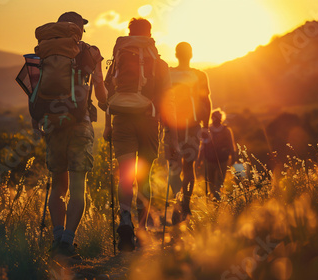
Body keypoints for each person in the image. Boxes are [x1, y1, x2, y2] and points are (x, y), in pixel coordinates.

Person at [102, 18, 179, 252]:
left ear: (129, 33)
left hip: (121, 120)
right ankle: (141, 229)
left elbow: (109, 92)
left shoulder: (118, 59)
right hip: (148, 121)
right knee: (144, 176)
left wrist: (108, 126)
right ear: (149, 34)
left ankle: (124, 219)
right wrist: (170, 133)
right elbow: (166, 100)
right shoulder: (160, 63)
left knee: (126, 174)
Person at [38, 12, 108, 261]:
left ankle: (57, 240)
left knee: (58, 187)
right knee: (78, 188)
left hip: (53, 124)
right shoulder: (90, 52)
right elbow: (99, 87)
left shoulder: (45, 52)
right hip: (80, 123)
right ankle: (67, 243)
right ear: (78, 29)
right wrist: (106, 104)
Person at [165, 42, 212, 224]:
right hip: (193, 126)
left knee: (174, 168)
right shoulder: (199, 75)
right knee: (188, 167)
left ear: (176, 54)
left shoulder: (168, 74)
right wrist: (206, 126)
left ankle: (177, 205)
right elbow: (205, 101)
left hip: (172, 128)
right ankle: (185, 203)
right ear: (191, 55)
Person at [198, 109, 237, 201]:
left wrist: (234, 157)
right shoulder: (209, 130)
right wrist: (200, 159)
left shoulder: (225, 130)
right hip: (213, 159)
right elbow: (203, 145)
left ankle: (215, 194)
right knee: (213, 179)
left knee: (217, 179)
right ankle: (215, 194)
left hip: (220, 159)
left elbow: (231, 145)